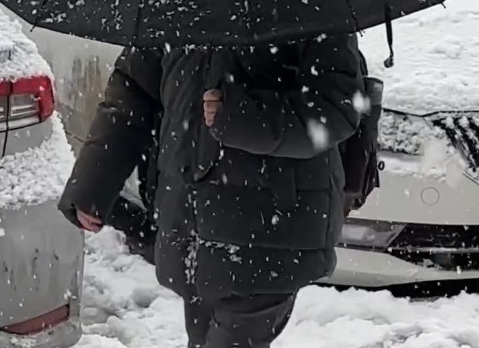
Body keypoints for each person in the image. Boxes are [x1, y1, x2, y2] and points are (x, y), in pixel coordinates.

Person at [59, 37, 366, 348]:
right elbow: (133, 91)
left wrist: (242, 116)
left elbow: (336, 109)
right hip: (190, 219)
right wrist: (94, 183)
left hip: (270, 229)